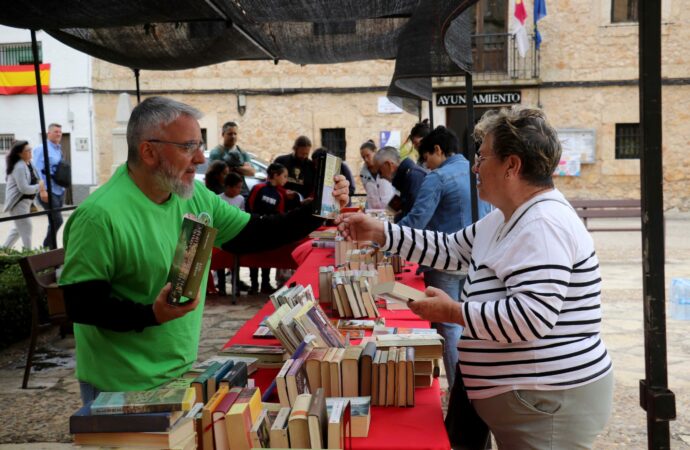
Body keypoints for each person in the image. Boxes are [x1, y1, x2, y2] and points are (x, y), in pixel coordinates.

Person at [337, 106, 613, 448]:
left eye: (482, 158)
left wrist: (453, 312)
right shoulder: (508, 217)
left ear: (511, 165)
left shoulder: (542, 224)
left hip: (547, 403)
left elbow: (530, 318)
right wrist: (380, 232)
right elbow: (450, 249)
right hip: (531, 400)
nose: (474, 166)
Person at [58, 97, 349, 403]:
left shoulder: (194, 195)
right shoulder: (99, 215)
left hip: (181, 372)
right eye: (188, 147)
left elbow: (252, 234)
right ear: (148, 151)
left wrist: (319, 210)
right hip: (119, 385)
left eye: (200, 145)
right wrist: (150, 315)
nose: (200, 158)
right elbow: (80, 304)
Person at [397, 126, 480, 389]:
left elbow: (417, 220)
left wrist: (387, 240)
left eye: (427, 158)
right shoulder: (477, 171)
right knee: (469, 324)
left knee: (448, 328)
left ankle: (457, 392)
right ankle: (472, 389)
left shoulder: (439, 177)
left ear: (437, 150)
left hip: (444, 260)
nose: (426, 166)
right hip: (478, 260)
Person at [246, 163, 291, 294]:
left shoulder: (279, 194)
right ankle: (254, 285)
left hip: (268, 231)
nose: (286, 179)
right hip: (254, 229)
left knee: (266, 258)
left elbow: (279, 213)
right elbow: (249, 206)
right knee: (253, 258)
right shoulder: (258, 188)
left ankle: (265, 284)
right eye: (284, 176)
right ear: (275, 175)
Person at [3, 140, 47, 249]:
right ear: (19, 153)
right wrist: (39, 187)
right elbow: (24, 189)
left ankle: (2, 251)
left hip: (26, 202)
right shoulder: (19, 166)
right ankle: (29, 255)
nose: (30, 152)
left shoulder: (29, 162)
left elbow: (37, 177)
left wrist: (42, 188)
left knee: (17, 230)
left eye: (30, 149)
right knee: (27, 228)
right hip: (18, 203)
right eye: (27, 150)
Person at [33, 123, 65, 249]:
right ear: (48, 133)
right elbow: (36, 170)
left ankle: (51, 249)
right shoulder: (42, 148)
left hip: (59, 190)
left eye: (60, 132)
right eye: (56, 131)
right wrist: (42, 190)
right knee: (57, 220)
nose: (59, 134)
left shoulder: (58, 149)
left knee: (53, 221)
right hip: (48, 191)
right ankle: (47, 247)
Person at [374, 146, 426, 222]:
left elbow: (414, 217)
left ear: (388, 165)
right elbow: (393, 209)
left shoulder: (414, 176)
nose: (380, 177)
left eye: (379, 172)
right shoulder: (403, 178)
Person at [208, 121, 255, 198]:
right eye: (230, 134)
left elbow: (251, 172)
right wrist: (242, 168)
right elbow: (214, 174)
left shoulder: (242, 152)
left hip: (241, 193)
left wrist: (234, 168)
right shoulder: (216, 152)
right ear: (223, 135)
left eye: (235, 134)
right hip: (223, 193)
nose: (233, 136)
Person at [274, 136, 315, 209]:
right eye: (302, 153)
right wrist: (284, 192)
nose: (304, 156)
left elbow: (314, 188)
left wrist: (310, 199)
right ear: (295, 149)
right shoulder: (281, 161)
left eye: (307, 154)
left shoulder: (311, 166)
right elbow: (272, 181)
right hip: (282, 205)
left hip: (302, 208)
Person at [358, 140, 395, 210]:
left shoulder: (388, 167)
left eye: (368, 155)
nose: (366, 159)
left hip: (390, 210)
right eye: (363, 157)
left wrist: (396, 209)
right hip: (372, 212)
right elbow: (369, 193)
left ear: (375, 152)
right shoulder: (363, 174)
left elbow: (397, 190)